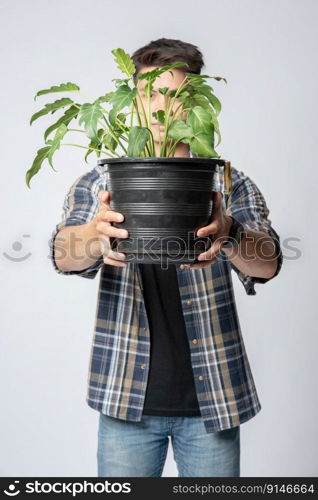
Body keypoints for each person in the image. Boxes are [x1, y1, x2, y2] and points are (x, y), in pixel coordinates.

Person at [49, 38, 283, 477]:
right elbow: (64, 255)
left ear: (196, 101)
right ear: (133, 97)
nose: (160, 108)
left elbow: (267, 262)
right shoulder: (104, 180)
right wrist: (94, 236)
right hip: (125, 397)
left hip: (213, 397)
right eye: (149, 93)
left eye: (174, 95)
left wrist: (229, 231)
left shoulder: (227, 183)